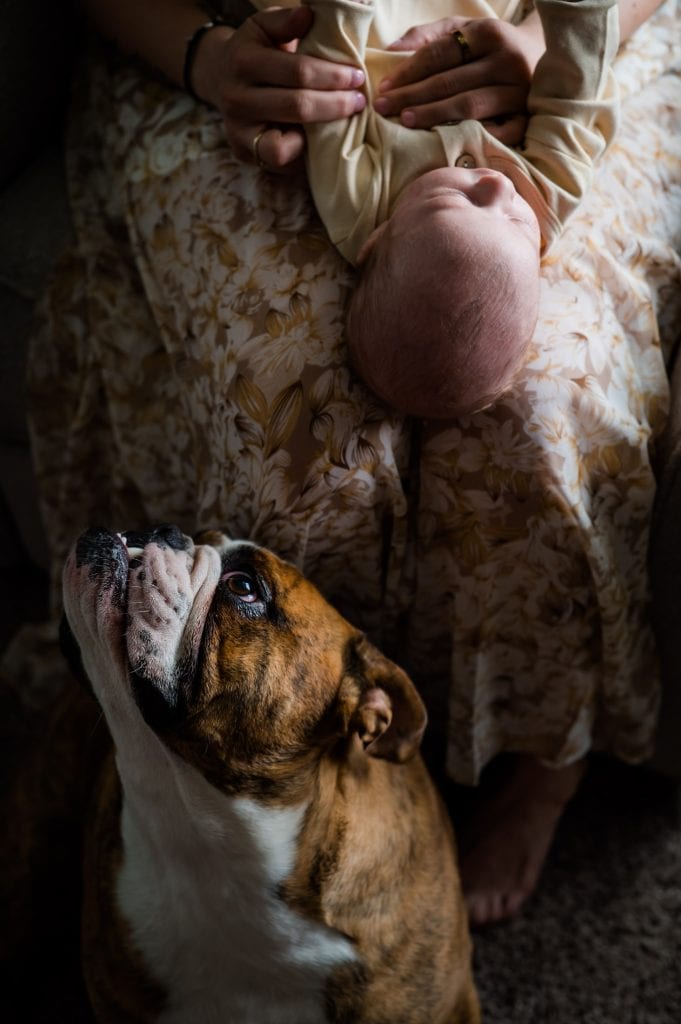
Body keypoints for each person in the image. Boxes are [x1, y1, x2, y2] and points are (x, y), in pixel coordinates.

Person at [26, 0, 680, 927]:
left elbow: (581, 56)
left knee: (544, 421)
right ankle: (286, 756)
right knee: (296, 437)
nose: (497, 190)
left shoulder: (526, 183)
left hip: (551, 25)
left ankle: (546, 768)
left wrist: (552, 34)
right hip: (223, 49)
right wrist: (207, 57)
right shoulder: (376, 199)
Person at [297, 0, 618, 418]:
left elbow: (331, 98)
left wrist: (341, 12)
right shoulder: (547, 200)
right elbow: (575, 101)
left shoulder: (356, 207)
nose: (498, 186)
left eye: (457, 200)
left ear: (377, 239)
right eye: (519, 224)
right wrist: (580, 15)